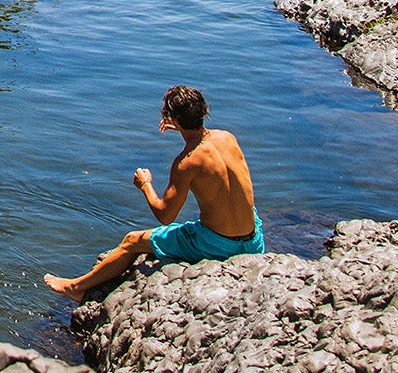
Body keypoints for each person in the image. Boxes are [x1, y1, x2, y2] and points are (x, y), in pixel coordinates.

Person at [44, 86, 262, 300]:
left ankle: (75, 287)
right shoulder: (227, 138)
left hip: (218, 246)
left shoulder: (186, 163)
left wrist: (145, 184)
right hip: (253, 242)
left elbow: (165, 216)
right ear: (202, 112)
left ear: (172, 118)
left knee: (131, 241)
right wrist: (182, 126)